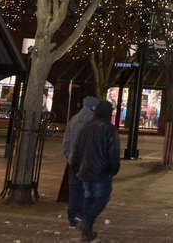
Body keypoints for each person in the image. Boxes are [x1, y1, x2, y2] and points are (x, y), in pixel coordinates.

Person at [69, 101, 120, 243]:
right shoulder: (109, 129)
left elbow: (77, 149)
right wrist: (114, 169)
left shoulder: (86, 127)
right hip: (101, 172)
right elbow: (113, 152)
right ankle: (86, 222)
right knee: (102, 198)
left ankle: (87, 231)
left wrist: (75, 166)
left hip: (86, 170)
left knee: (89, 198)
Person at [62, 96, 99, 230]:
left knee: (74, 189)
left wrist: (69, 157)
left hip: (74, 162)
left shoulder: (73, 120)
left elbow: (66, 142)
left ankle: (72, 218)